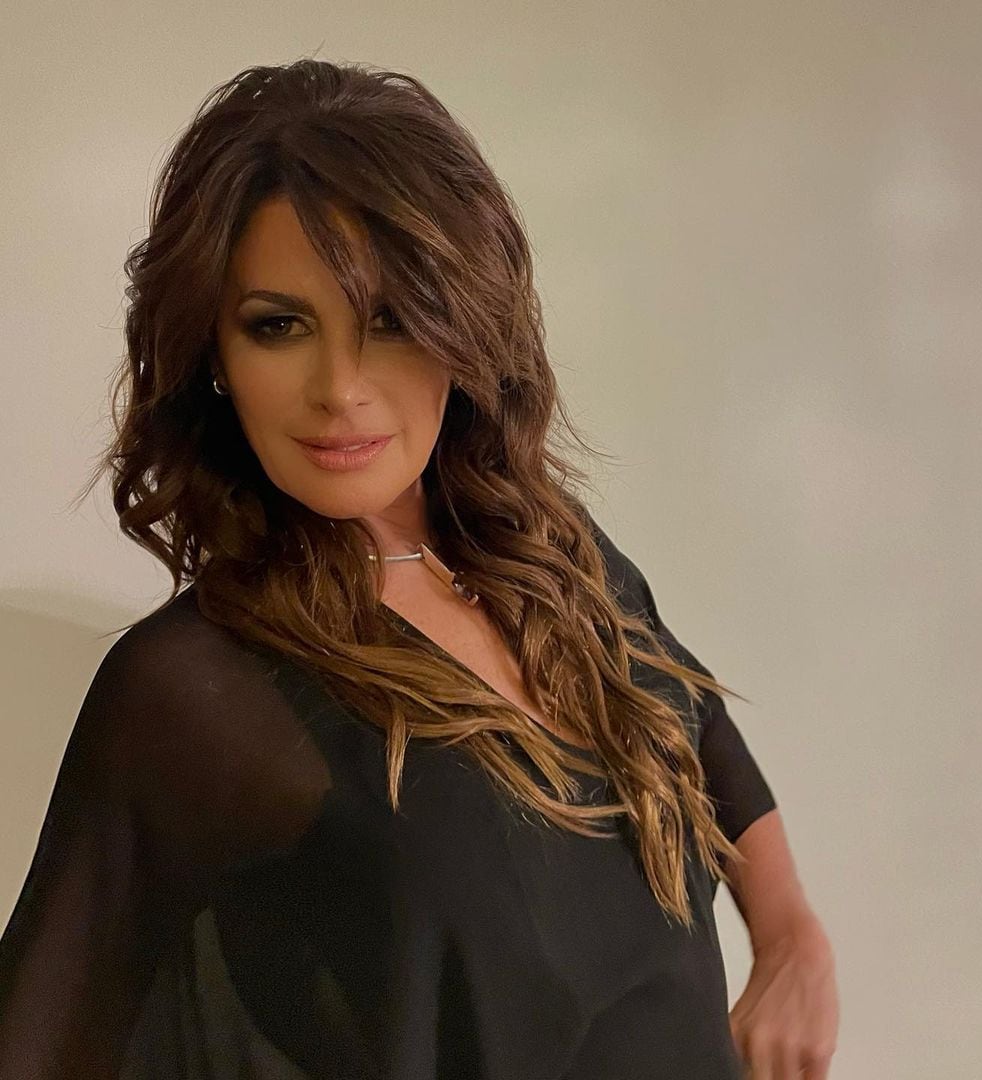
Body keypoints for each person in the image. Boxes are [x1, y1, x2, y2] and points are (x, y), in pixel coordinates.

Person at [0, 59, 838, 1078]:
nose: (340, 387)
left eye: (391, 319)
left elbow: (691, 720)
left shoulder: (550, 556)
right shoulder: (194, 690)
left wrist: (790, 935)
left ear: (463, 329)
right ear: (215, 354)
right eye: (278, 326)